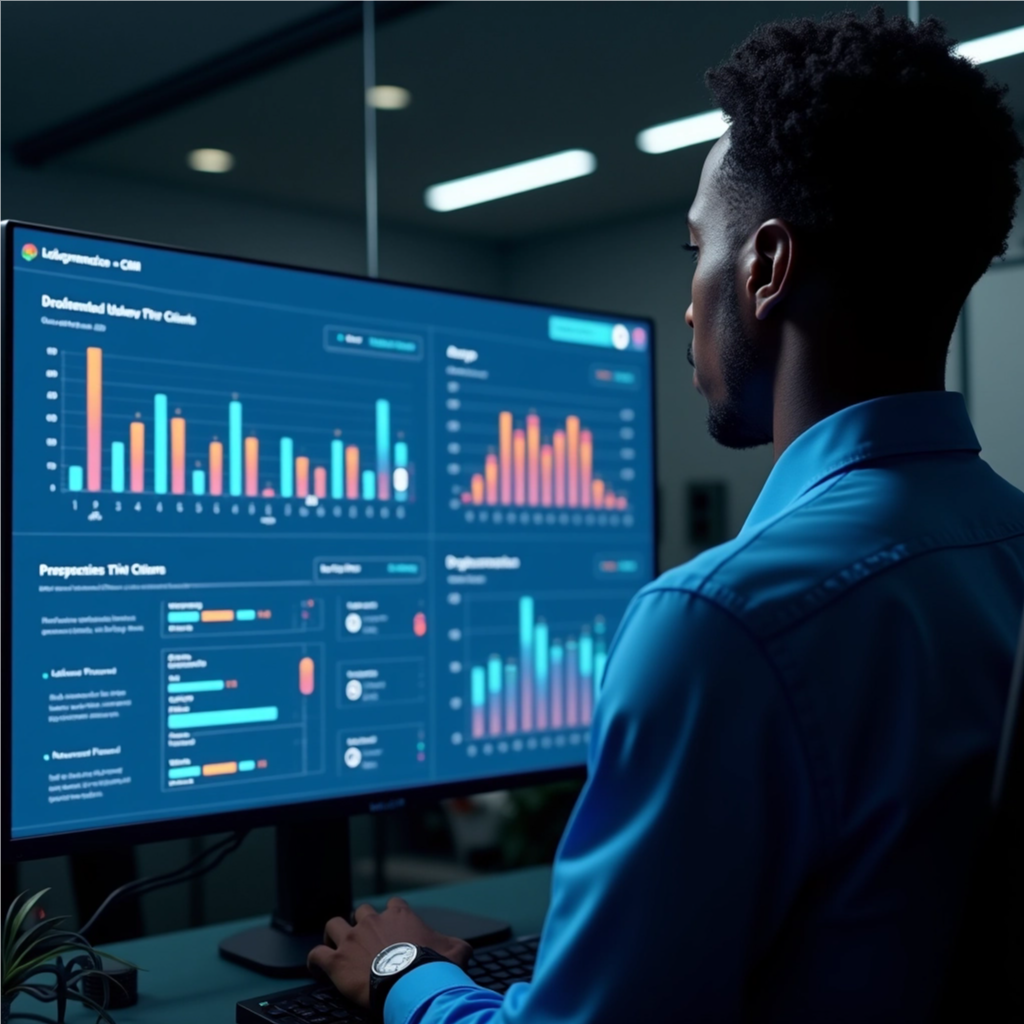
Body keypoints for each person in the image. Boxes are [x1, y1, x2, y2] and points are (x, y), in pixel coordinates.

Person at [309, 10, 1024, 1021]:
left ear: (765, 269)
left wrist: (404, 975)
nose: (688, 303)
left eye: (697, 246)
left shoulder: (721, 622)